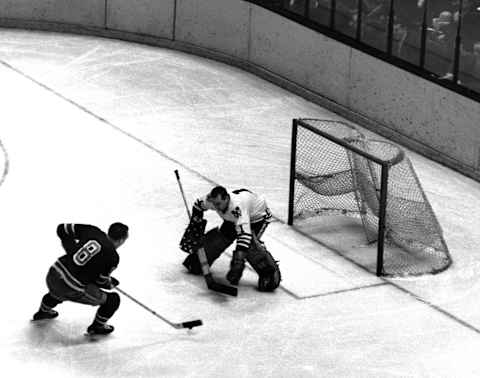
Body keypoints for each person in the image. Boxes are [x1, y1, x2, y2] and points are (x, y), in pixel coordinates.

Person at [32, 222, 129, 336]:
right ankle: (97, 327)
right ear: (122, 240)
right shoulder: (113, 257)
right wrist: (110, 284)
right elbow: (99, 281)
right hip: (70, 288)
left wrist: (72, 252)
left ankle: (43, 312)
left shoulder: (93, 231)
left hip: (54, 273)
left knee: (57, 291)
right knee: (112, 300)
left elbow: (62, 229)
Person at [180, 186, 281, 292]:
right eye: (214, 204)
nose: (216, 207)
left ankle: (270, 275)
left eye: (218, 204)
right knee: (218, 240)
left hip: (257, 218)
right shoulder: (212, 200)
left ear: (226, 198)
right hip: (232, 219)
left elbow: (244, 235)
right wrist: (196, 222)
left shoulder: (237, 207)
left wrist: (238, 260)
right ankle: (198, 260)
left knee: (250, 247)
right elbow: (198, 205)